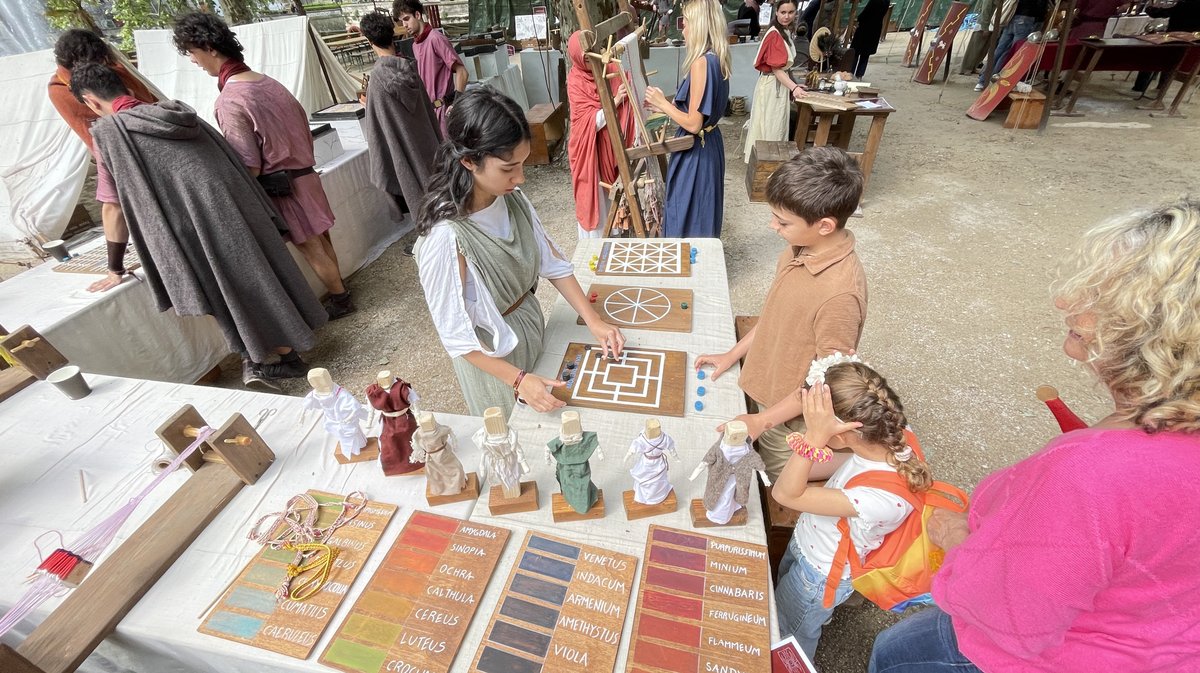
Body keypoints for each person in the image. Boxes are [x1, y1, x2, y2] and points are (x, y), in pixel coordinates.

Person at [870, 199, 1200, 672]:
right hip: (1159, 643)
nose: (1066, 302)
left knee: (896, 653)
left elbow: (1011, 614)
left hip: (1048, 654)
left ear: (1168, 333)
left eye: (1103, 296)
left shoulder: (1091, 476)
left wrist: (962, 541)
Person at [71, 63, 327, 390]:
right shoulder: (178, 114)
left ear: (91, 102)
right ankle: (284, 358)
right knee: (260, 281)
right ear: (128, 89)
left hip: (192, 228)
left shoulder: (110, 134)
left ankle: (261, 363)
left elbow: (111, 206)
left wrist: (114, 267)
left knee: (228, 295)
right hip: (237, 211)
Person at [413, 88, 625, 417]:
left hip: (528, 327)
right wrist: (518, 379)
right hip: (494, 362)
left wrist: (593, 320)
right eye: (508, 168)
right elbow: (457, 337)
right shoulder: (445, 237)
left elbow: (551, 261)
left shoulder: (512, 199)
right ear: (469, 160)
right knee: (515, 437)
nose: (520, 178)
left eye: (522, 164)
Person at [172, 13, 355, 321]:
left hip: (284, 186)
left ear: (210, 48)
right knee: (322, 241)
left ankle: (340, 299)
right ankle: (341, 292)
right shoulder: (268, 82)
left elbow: (249, 164)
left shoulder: (231, 100)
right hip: (306, 175)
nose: (193, 60)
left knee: (312, 248)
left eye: (192, 51)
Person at [697, 147, 866, 480]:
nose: (772, 226)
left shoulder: (841, 296)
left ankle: (869, 460)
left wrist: (763, 421)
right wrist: (733, 354)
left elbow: (825, 383)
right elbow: (774, 315)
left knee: (777, 473)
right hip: (766, 384)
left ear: (825, 226)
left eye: (783, 221)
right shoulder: (797, 249)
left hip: (791, 416)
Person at [773, 359, 932, 661]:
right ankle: (820, 613)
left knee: (790, 633)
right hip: (813, 542)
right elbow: (863, 391)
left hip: (819, 572)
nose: (810, 426)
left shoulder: (879, 498)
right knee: (785, 594)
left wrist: (813, 439)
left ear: (844, 432)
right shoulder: (895, 432)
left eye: (814, 422)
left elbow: (785, 493)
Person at [645, 0, 731, 238]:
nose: (682, 29)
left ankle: (688, 268)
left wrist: (662, 103)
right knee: (702, 211)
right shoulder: (718, 58)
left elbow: (693, 124)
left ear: (700, 25)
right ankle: (699, 265)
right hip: (710, 143)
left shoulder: (701, 62)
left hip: (696, 150)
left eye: (686, 23)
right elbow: (701, 111)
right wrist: (669, 107)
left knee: (688, 212)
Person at [358, 10, 442, 222]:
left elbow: (379, 130)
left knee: (416, 191)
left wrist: (370, 106)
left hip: (404, 150)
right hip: (427, 145)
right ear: (393, 35)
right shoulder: (411, 68)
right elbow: (424, 112)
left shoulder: (377, 79)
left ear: (369, 42)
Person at [565, 31, 636, 239]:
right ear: (577, 57)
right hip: (587, 151)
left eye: (592, 54)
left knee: (609, 198)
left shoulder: (608, 67)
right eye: (585, 58)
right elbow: (586, 123)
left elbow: (625, 82)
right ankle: (595, 245)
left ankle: (613, 235)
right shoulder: (576, 81)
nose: (590, 61)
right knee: (593, 196)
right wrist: (614, 102)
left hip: (607, 149)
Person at [48, 29, 158, 152]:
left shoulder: (114, 69)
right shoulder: (60, 90)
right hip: (122, 151)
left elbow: (150, 104)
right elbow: (95, 140)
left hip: (156, 131)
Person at [393, 0, 468, 136]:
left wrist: (456, 103)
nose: (404, 25)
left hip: (445, 111)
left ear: (417, 15)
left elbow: (462, 71)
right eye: (401, 21)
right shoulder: (415, 45)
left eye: (406, 19)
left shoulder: (436, 39)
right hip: (429, 112)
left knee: (453, 154)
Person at [743, 1, 806, 163]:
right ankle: (766, 163)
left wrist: (794, 84)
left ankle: (769, 162)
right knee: (770, 125)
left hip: (778, 84)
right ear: (776, 12)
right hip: (772, 86)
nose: (787, 16)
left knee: (775, 123)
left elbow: (784, 68)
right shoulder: (775, 35)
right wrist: (794, 88)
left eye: (790, 12)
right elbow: (777, 69)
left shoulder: (784, 32)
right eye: (783, 12)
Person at [1132, 0, 1200, 96]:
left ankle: (1140, 86)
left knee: (1153, 57)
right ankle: (1162, 86)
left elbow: (1159, 13)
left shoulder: (1183, 4)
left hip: (1173, 40)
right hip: (1192, 47)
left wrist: (1148, 7)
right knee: (1173, 61)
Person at [975, 0, 1047, 90]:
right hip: (1027, 18)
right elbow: (1040, 6)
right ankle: (996, 80)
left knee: (1000, 50)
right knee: (1014, 53)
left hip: (1011, 17)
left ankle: (982, 81)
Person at [849, 0, 889, 78]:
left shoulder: (874, 1)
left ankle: (851, 72)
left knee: (856, 52)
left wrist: (858, 18)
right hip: (876, 28)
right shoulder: (886, 1)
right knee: (865, 54)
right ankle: (860, 75)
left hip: (865, 28)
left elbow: (866, 12)